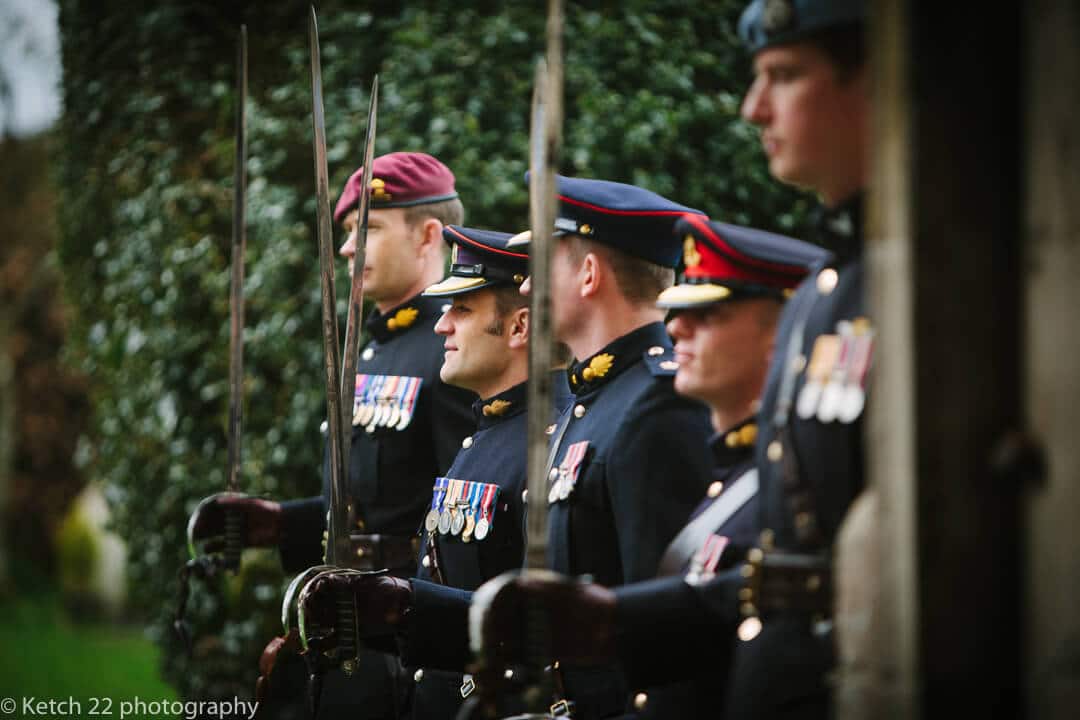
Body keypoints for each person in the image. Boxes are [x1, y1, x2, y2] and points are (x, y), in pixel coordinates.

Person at [474, 1, 872, 717]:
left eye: (783, 75)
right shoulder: (828, 291)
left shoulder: (654, 404)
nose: (752, 109)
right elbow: (760, 573)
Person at [468, 214, 826, 718]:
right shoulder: (591, 404)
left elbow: (677, 659)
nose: (676, 326)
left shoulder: (658, 410)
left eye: (710, 315)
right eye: (680, 312)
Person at [191, 152, 478, 719]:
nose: (347, 249)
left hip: (408, 645)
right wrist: (278, 522)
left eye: (366, 229)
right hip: (350, 638)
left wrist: (413, 614)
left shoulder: (455, 351)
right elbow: (370, 504)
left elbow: (464, 517)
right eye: (347, 232)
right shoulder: (371, 347)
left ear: (428, 236)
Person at [299, 224, 573, 720]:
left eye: (462, 310)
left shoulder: (550, 443)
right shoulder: (487, 430)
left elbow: (545, 624)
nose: (442, 326)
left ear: (520, 327)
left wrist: (405, 604)